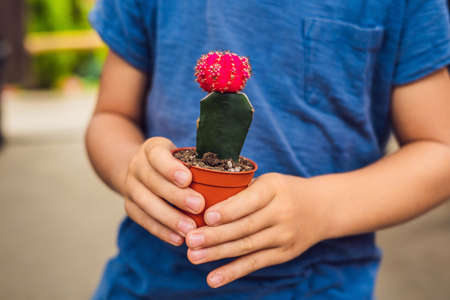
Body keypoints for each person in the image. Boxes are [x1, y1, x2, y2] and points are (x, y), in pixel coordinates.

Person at [85, 1, 450, 299]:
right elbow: (111, 115)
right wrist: (130, 168)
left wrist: (321, 208)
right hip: (146, 282)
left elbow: (440, 149)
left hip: (319, 288)